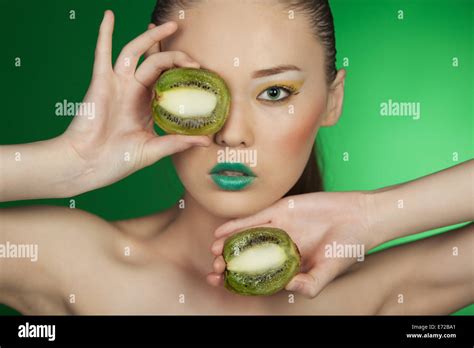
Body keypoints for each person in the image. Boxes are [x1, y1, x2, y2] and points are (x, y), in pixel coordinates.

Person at [0, 1, 472, 315]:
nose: (232, 134)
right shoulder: (79, 263)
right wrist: (69, 163)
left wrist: (375, 213)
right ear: (154, 95)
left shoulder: (374, 292)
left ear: (332, 100)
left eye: (274, 91)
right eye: (198, 90)